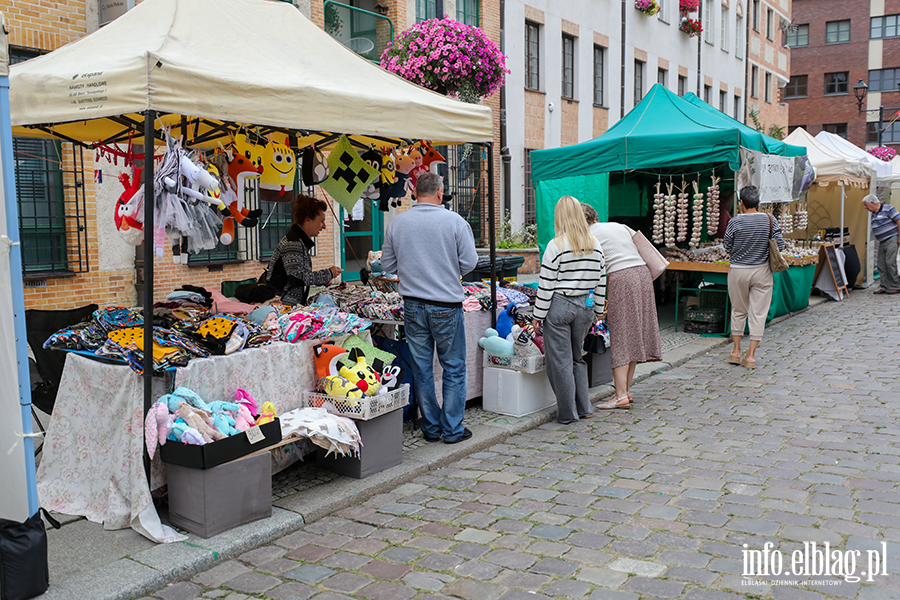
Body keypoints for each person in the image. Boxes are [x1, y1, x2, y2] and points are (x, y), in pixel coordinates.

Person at [381, 173, 478, 444]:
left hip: (412, 305)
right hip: (445, 304)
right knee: (454, 368)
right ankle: (452, 429)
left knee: (422, 369)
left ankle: (432, 427)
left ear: (415, 193)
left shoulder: (398, 223)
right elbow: (469, 263)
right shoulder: (454, 221)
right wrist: (446, 268)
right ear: (439, 192)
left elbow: (387, 265)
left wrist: (413, 268)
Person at [532, 196, 607, 424]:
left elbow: (546, 284)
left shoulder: (555, 245)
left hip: (559, 306)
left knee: (560, 362)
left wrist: (538, 315)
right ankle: (584, 407)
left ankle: (567, 414)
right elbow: (601, 280)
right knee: (578, 358)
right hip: (585, 308)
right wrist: (599, 308)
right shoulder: (596, 244)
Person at [581, 203, 661, 409]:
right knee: (633, 334)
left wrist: (595, 306)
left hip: (622, 277)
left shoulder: (587, 237)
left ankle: (619, 396)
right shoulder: (617, 226)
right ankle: (625, 391)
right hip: (643, 275)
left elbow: (593, 276)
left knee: (620, 334)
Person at [723, 185, 784, 369]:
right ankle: (750, 356)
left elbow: (727, 246)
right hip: (761, 271)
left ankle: (735, 350)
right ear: (758, 202)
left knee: (739, 310)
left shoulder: (735, 221)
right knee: (758, 313)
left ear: (740, 202)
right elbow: (780, 245)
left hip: (738, 270)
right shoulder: (769, 219)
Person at [266, 194, 342, 306]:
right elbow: (296, 277)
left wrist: (321, 280)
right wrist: (328, 273)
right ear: (308, 220)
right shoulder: (293, 243)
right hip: (284, 306)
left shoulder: (299, 241)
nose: (324, 226)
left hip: (289, 304)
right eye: (321, 221)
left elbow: (300, 277)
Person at [863, 194, 900, 294]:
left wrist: (899, 237)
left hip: (891, 239)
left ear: (872, 202)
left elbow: (899, 220)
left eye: (866, 205)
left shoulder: (889, 209)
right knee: (881, 264)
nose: (865, 207)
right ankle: (885, 286)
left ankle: (896, 285)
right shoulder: (874, 214)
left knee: (890, 262)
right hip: (882, 241)